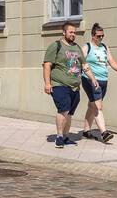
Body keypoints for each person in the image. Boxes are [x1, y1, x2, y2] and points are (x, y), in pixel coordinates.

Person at [43, 20, 101, 149]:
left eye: (74, 32)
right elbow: (47, 65)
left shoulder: (76, 47)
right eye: (70, 32)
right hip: (59, 84)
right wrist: (47, 83)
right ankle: (59, 137)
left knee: (69, 113)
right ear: (64, 32)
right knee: (63, 109)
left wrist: (93, 79)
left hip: (75, 86)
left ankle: (65, 136)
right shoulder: (56, 46)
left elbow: (84, 65)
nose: (73, 34)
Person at [80, 23, 117, 142]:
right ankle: (104, 132)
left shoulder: (104, 47)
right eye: (98, 36)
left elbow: (111, 60)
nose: (101, 38)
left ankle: (86, 131)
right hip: (90, 80)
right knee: (97, 106)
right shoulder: (87, 47)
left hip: (103, 80)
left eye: (102, 36)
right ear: (93, 36)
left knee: (92, 105)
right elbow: (80, 62)